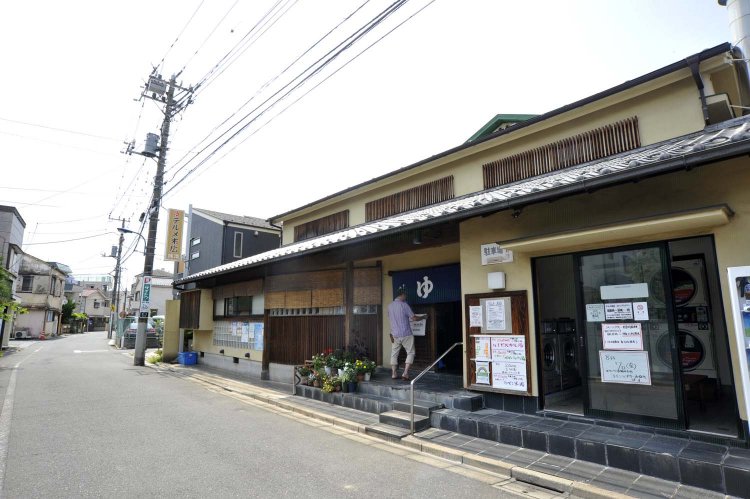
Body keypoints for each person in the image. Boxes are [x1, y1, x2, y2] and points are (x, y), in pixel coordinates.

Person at [387, 287, 424, 381]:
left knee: (394, 354)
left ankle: (394, 374)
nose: (406, 297)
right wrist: (423, 317)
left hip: (394, 334)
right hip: (406, 333)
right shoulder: (404, 305)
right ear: (402, 295)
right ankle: (405, 373)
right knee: (411, 352)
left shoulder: (390, 306)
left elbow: (390, 319)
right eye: (405, 295)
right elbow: (413, 318)